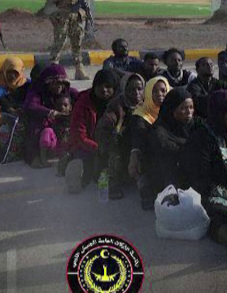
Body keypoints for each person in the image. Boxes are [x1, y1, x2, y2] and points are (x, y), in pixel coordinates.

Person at [185, 90, 227, 255]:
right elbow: (201, 180)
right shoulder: (202, 138)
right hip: (210, 191)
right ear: (218, 113)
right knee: (218, 213)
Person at [65, 69, 119, 193]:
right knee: (86, 162)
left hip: (110, 145)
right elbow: (78, 135)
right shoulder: (83, 103)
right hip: (88, 145)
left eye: (108, 86)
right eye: (100, 85)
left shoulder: (119, 104)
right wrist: (98, 148)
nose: (104, 90)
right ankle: (76, 171)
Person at [144, 88, 200, 205]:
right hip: (167, 175)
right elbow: (169, 148)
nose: (189, 112)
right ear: (172, 109)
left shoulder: (194, 123)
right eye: (183, 108)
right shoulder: (159, 130)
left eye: (191, 107)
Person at [95, 72, 145, 200]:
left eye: (139, 89)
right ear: (124, 89)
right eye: (132, 89)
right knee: (116, 159)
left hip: (139, 142)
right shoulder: (117, 105)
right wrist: (112, 147)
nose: (136, 93)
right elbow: (102, 129)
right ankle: (113, 181)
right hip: (120, 143)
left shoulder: (146, 103)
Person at [22, 64, 79, 168]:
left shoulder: (69, 92)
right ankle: (33, 156)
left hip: (63, 128)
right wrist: (51, 113)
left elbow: (83, 99)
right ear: (46, 83)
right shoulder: (37, 92)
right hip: (44, 127)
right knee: (35, 125)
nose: (59, 86)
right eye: (54, 83)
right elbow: (29, 105)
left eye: (61, 83)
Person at [127, 76, 170, 209]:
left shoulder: (171, 110)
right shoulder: (141, 114)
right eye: (154, 91)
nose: (160, 94)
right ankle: (144, 185)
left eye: (163, 90)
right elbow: (138, 139)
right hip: (148, 155)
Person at [45, 0, 91, 80]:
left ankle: (79, 68)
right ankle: (54, 68)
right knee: (60, 41)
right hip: (62, 15)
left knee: (77, 42)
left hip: (75, 15)